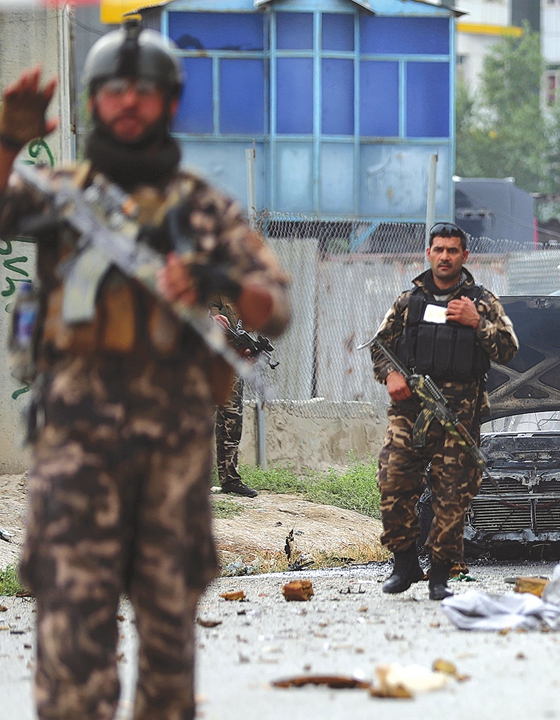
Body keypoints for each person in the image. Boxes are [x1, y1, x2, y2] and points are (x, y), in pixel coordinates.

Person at [2, 21, 290, 719]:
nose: (129, 102)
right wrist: (9, 141)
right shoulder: (58, 193)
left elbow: (273, 303)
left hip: (172, 453)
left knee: (167, 653)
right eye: (114, 90)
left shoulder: (202, 206)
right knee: (71, 645)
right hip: (76, 447)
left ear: (169, 101)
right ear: (95, 100)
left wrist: (212, 271)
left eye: (144, 90)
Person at [371, 222, 518, 599]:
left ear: (464, 256)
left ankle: (439, 575)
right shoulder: (409, 301)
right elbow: (379, 346)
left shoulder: (481, 301)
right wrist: (390, 375)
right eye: (439, 249)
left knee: (452, 495)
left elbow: (508, 349)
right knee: (393, 480)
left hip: (459, 416)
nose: (445, 257)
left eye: (453, 250)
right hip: (410, 410)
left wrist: (477, 323)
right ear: (429, 253)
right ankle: (403, 564)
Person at [211, 296, 258, 497]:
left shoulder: (247, 286)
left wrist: (249, 352)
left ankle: (230, 479)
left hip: (231, 361)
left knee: (232, 420)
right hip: (203, 358)